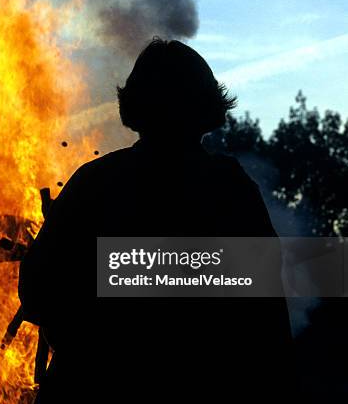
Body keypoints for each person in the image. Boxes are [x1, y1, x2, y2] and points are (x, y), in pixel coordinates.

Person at [19, 38, 295, 402]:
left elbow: (39, 294)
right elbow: (266, 319)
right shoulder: (231, 188)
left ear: (134, 107)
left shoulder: (95, 181)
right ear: (207, 108)